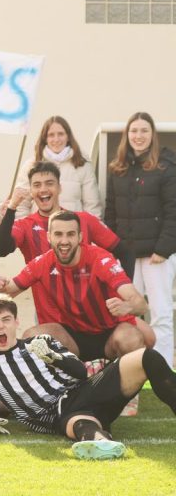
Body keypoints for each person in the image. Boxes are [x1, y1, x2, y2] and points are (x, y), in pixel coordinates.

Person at [0, 293, 176, 460]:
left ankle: (100, 439)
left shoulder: (41, 341)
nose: (0, 326)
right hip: (57, 417)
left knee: (148, 358)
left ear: (16, 322)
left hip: (85, 392)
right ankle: (102, 443)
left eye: (6, 320)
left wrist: (53, 357)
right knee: (81, 423)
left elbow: (80, 372)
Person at [0, 210, 154, 362]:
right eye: (58, 234)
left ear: (80, 237)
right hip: (73, 338)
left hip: (109, 333)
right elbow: (5, 294)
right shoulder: (42, 263)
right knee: (32, 337)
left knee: (136, 339)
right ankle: (66, 379)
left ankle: (125, 381)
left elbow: (141, 304)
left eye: (70, 234)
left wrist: (127, 306)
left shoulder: (100, 259)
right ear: (49, 237)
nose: (64, 241)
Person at [105, 112, 176, 366]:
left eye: (144, 130)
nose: (138, 136)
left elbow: (173, 211)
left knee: (160, 313)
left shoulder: (166, 167)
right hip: (127, 256)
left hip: (157, 256)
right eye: (134, 131)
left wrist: (164, 248)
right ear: (127, 135)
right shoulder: (117, 168)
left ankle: (162, 369)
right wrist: (113, 250)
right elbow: (110, 213)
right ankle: (135, 366)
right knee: (129, 315)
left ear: (152, 135)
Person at [0, 161, 132, 277]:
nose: (43, 189)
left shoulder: (84, 219)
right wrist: (12, 207)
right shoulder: (25, 225)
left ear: (59, 188)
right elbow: (0, 250)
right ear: (31, 191)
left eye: (49, 183)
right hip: (47, 302)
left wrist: (122, 290)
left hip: (86, 301)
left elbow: (126, 253)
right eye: (37, 185)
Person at [14, 115, 102, 218]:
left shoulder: (83, 165)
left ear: (68, 137)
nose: (56, 139)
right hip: (39, 227)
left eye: (60, 134)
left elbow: (92, 207)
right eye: (51, 135)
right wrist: (25, 226)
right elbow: (21, 205)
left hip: (72, 227)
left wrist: (89, 227)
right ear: (45, 138)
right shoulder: (31, 165)